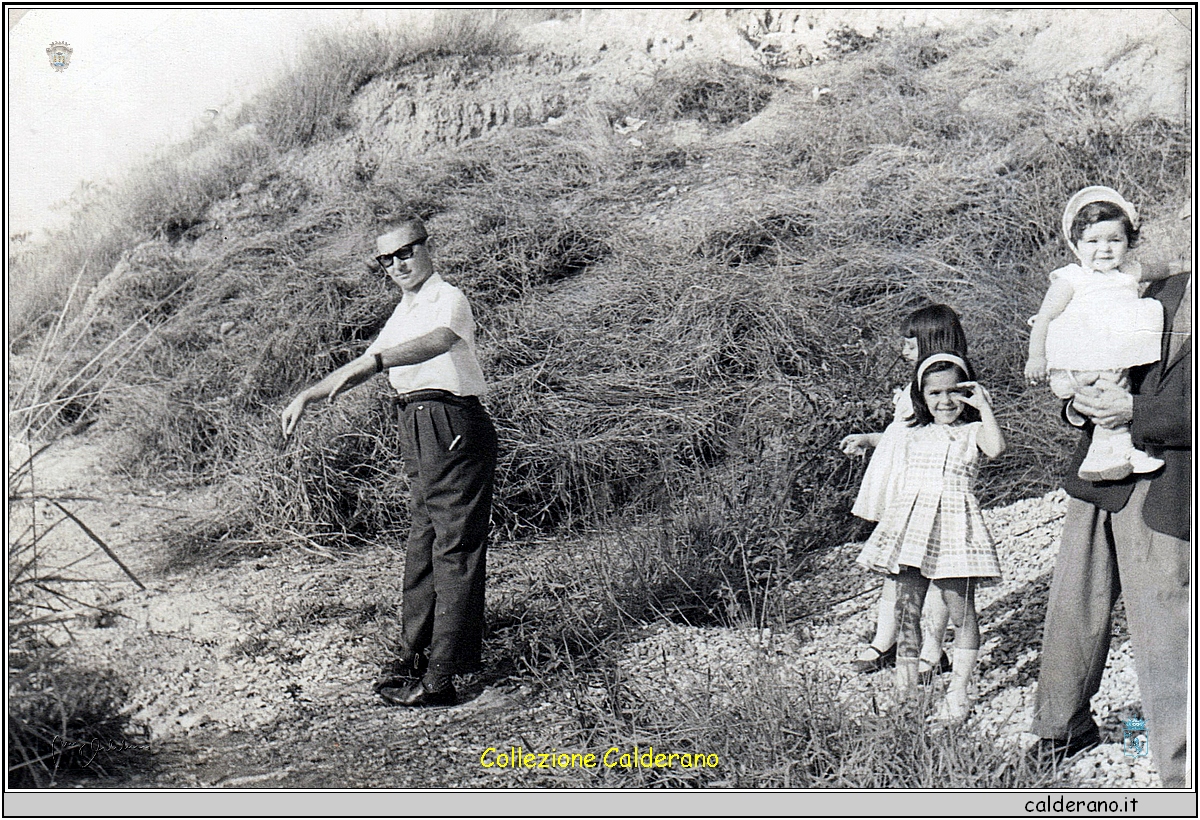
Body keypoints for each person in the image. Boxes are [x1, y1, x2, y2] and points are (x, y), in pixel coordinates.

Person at [281, 217, 498, 708]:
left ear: (426, 247)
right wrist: (309, 395)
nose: (398, 264)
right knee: (424, 541)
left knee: (454, 547)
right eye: (387, 259)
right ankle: (413, 657)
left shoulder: (448, 298)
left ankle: (442, 677)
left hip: (451, 421)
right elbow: (365, 362)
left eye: (406, 252)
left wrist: (377, 364)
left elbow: (440, 340)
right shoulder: (403, 312)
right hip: (416, 423)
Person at [1027, 266, 1191, 787]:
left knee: (1166, 626)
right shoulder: (1159, 286)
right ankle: (1063, 726)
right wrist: (1078, 402)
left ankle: (1181, 769)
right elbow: (1089, 344)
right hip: (1100, 470)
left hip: (1174, 482)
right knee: (1073, 604)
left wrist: (1137, 412)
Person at [856, 353, 1005, 720]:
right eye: (935, 393)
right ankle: (905, 696)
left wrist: (983, 406)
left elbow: (997, 448)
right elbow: (888, 464)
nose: (945, 401)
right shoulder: (912, 433)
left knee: (960, 609)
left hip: (956, 525)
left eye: (955, 391)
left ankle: (958, 691)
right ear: (922, 395)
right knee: (907, 608)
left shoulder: (973, 432)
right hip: (911, 524)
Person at [841, 305, 969, 680]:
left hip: (924, 485)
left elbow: (942, 437)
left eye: (912, 341)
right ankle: (888, 639)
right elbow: (904, 433)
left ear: (933, 340)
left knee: (931, 566)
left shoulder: (947, 386)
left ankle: (932, 648)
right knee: (899, 567)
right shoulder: (921, 384)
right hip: (900, 478)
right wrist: (870, 439)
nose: (904, 348)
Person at [1025, 186, 1174, 481]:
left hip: (1114, 351)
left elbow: (1166, 268)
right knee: (1111, 389)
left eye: (1114, 240)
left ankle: (1109, 453)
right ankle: (1116, 452)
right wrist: (1036, 357)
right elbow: (1044, 317)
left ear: (1128, 242)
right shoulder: (1072, 278)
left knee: (1120, 389)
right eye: (1092, 241)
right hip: (1085, 352)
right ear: (1076, 244)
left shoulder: (1126, 272)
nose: (1104, 249)